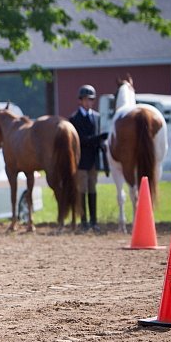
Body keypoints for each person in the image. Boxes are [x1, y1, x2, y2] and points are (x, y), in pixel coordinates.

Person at [69, 84, 108, 233]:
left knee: (93, 190)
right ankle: (83, 221)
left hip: (93, 160)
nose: (89, 102)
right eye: (86, 99)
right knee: (82, 190)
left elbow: (96, 138)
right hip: (81, 161)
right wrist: (98, 138)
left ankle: (94, 221)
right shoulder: (74, 119)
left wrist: (102, 144)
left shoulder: (96, 117)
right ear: (80, 101)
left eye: (91, 100)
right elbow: (81, 140)